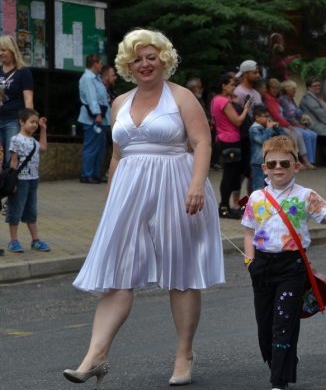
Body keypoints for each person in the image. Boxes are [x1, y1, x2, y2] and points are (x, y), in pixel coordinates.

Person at [64, 29, 224, 387]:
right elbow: (117, 156)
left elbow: (202, 142)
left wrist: (197, 184)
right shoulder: (120, 102)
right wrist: (111, 201)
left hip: (176, 187)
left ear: (164, 59)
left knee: (181, 272)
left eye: (151, 57)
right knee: (117, 273)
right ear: (127, 65)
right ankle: (95, 356)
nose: (145, 64)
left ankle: (184, 354)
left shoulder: (181, 96)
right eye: (137, 59)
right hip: (129, 192)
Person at [242, 135, 326, 390]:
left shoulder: (306, 195)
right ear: (264, 168)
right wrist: (250, 262)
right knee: (265, 327)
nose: (278, 168)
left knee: (283, 322)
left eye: (284, 163)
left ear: (297, 166)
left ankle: (279, 380)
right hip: (262, 266)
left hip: (291, 267)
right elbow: (248, 232)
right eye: (272, 164)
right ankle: (281, 361)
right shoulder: (256, 197)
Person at [5, 108, 48, 253]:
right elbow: (13, 162)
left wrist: (43, 129)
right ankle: (13, 241)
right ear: (21, 122)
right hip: (20, 180)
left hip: (33, 180)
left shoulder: (34, 141)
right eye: (32, 122)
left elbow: (43, 147)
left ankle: (35, 240)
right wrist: (13, 182)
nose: (35, 125)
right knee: (15, 210)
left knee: (31, 211)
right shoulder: (16, 139)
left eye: (36, 122)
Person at [211, 72, 252, 219]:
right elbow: (238, 121)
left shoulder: (215, 100)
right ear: (224, 86)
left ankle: (226, 206)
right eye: (232, 85)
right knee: (229, 175)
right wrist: (246, 108)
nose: (234, 87)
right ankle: (224, 207)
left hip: (222, 138)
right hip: (231, 139)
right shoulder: (224, 101)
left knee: (230, 174)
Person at [265, 78, 316, 169]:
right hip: (277, 125)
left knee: (298, 134)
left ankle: (305, 161)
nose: (275, 90)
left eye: (277, 88)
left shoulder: (276, 99)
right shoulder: (270, 99)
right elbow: (277, 116)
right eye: (273, 88)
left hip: (284, 123)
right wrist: (288, 125)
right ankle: (295, 160)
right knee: (294, 134)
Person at [0, 35, 34, 168]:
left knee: (11, 158)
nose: (1, 53)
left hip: (13, 120)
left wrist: (28, 123)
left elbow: (28, 99)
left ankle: (11, 181)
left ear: (12, 50)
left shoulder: (23, 72)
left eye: (4, 50)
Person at [78, 54, 110, 184]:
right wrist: (97, 114)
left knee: (100, 147)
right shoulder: (87, 78)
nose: (101, 65)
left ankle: (96, 174)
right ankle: (87, 174)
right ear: (94, 64)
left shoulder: (96, 79)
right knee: (91, 146)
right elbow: (92, 98)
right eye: (100, 63)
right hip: (92, 118)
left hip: (101, 117)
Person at [299, 77, 326, 167]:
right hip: (313, 123)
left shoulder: (315, 97)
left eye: (318, 85)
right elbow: (318, 111)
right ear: (309, 87)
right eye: (315, 86)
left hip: (320, 122)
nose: (317, 87)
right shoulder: (308, 98)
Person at [278, 79, 318, 167]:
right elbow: (288, 117)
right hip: (289, 124)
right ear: (287, 89)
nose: (295, 91)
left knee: (313, 134)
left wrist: (303, 120)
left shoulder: (291, 99)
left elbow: (297, 113)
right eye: (293, 89)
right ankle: (306, 161)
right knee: (306, 134)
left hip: (296, 123)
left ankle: (311, 160)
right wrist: (299, 125)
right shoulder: (283, 100)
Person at [249, 105, 283, 191]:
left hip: (269, 160)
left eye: (269, 116)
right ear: (257, 117)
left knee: (269, 185)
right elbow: (262, 141)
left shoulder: (267, 127)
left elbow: (281, 137)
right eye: (266, 116)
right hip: (258, 163)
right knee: (259, 186)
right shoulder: (254, 129)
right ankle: (257, 200)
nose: (268, 119)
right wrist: (268, 129)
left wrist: (277, 127)